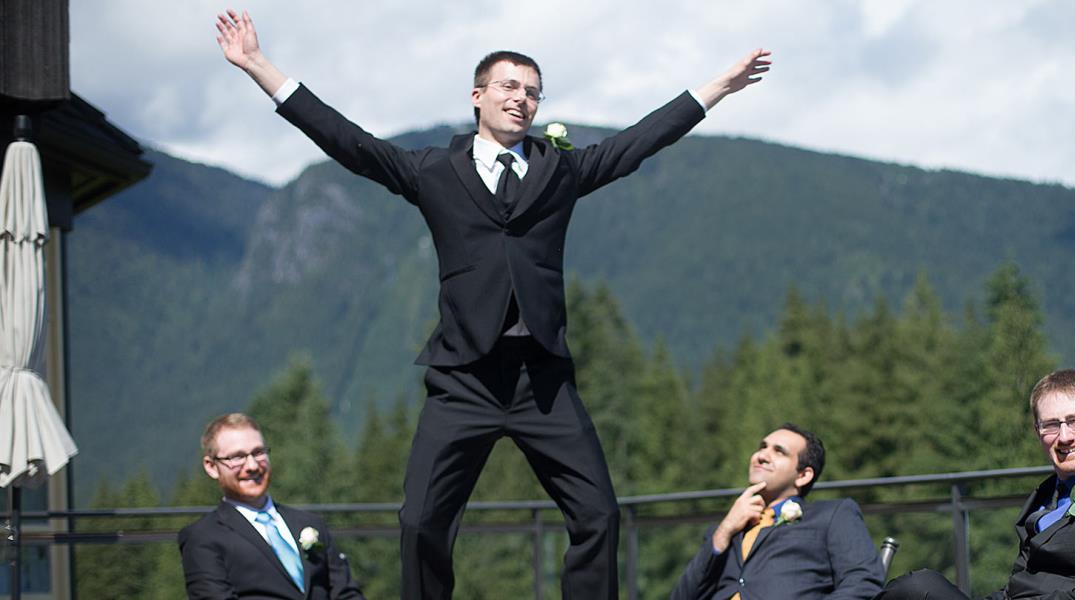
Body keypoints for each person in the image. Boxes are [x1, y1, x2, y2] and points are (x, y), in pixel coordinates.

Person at [213, 10, 771, 600]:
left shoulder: (560, 169)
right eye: (509, 86)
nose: (521, 99)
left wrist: (718, 87)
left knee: (599, 515)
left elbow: (639, 141)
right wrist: (258, 66)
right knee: (420, 523)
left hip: (542, 381)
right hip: (463, 379)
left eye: (532, 92)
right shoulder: (432, 171)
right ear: (477, 96)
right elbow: (347, 141)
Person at [880, 369, 1075, 599]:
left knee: (919, 588)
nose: (1064, 436)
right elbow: (1020, 585)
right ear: (1037, 431)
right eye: (1051, 425)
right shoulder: (1047, 493)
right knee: (916, 589)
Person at [671, 424, 885, 600]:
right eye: (762, 447)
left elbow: (862, 584)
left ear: (803, 475)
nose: (762, 455)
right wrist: (724, 530)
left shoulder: (831, 516)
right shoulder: (725, 533)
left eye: (779, 451)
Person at [179, 413, 364, 600]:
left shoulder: (310, 523)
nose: (252, 466)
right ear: (211, 467)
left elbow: (346, 593)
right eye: (237, 457)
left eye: (258, 453)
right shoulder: (202, 537)